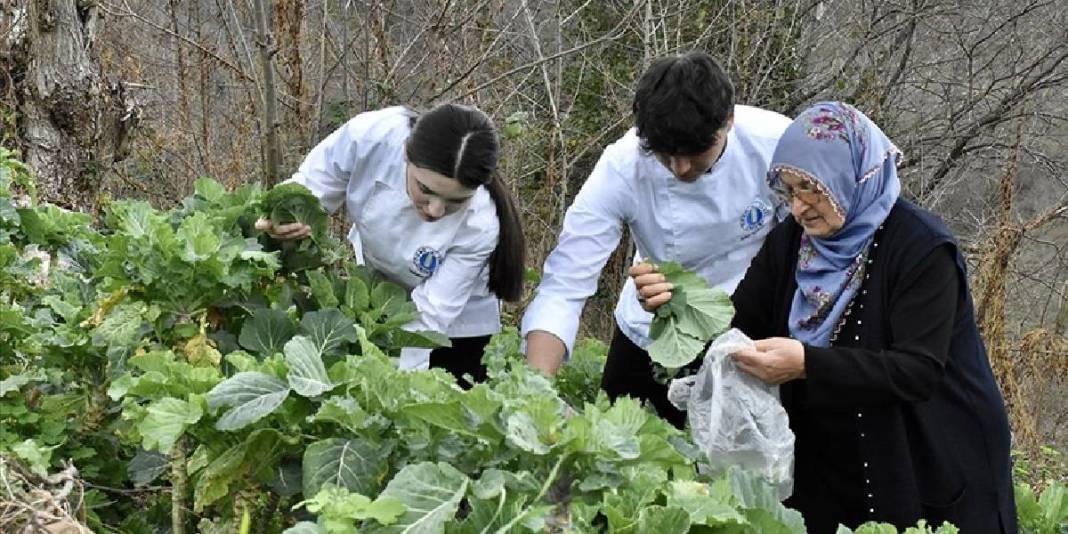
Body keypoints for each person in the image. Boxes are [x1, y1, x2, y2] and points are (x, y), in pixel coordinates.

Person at [633, 102, 1017, 532]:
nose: (798, 208)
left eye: (811, 189)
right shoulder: (793, 243)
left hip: (927, 454)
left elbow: (917, 371)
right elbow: (740, 324)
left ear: (849, 177)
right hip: (833, 462)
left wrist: (806, 365)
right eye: (788, 191)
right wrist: (677, 303)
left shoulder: (922, 250)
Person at [521, 51, 791, 426]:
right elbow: (566, 282)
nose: (681, 168)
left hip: (744, 331)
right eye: (665, 155)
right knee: (619, 451)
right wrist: (537, 389)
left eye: (696, 153)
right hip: (649, 328)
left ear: (728, 121)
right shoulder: (621, 167)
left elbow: (802, 249)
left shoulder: (776, 143)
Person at [256, 103, 525, 384]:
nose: (435, 210)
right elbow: (310, 188)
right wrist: (288, 218)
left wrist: (398, 390)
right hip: (382, 296)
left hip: (455, 327)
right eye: (426, 190)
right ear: (406, 154)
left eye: (455, 201)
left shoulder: (480, 224)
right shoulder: (371, 136)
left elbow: (428, 320)